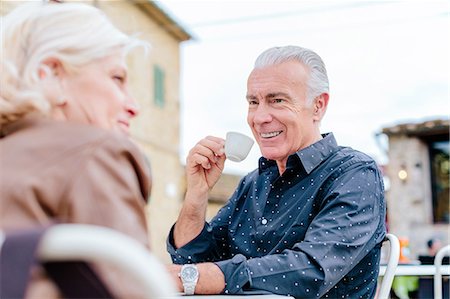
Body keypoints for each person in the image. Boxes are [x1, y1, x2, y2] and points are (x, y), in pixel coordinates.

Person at [166, 45, 386, 298]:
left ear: (318, 106)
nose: (259, 117)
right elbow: (192, 261)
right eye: (253, 102)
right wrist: (197, 193)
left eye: (277, 100)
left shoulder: (354, 174)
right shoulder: (252, 183)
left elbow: (313, 269)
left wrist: (194, 277)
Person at [1, 2, 151, 298]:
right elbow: (133, 288)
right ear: (51, 75)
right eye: (116, 78)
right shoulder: (97, 151)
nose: (133, 105)